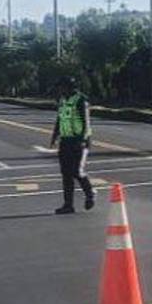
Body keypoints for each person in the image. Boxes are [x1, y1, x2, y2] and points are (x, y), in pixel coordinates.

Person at [50, 77, 96, 215]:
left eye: (61, 87)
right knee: (66, 174)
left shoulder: (81, 100)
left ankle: (90, 194)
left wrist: (82, 139)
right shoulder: (63, 100)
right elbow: (60, 118)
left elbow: (86, 121)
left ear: (69, 87)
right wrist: (54, 135)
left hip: (79, 141)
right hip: (65, 140)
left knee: (77, 171)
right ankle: (68, 205)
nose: (59, 90)